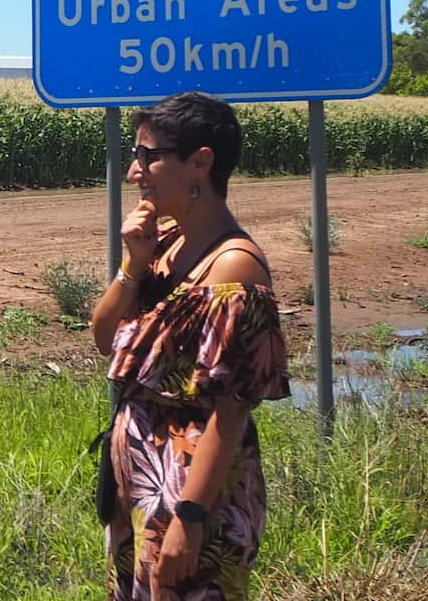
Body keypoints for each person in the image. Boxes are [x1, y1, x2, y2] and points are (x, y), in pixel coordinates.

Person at [90, 91, 290, 600]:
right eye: (135, 157)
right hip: (142, 489)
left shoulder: (234, 269)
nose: (135, 173)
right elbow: (105, 340)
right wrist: (131, 267)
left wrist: (189, 516)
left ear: (201, 162)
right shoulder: (165, 243)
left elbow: (230, 411)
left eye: (149, 156)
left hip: (192, 498)